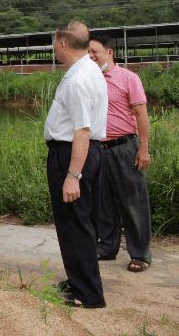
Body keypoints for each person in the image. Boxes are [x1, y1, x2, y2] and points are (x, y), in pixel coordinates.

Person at [44, 21, 108, 308]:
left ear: (62, 43)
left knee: (75, 223)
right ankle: (78, 280)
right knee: (76, 221)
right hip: (81, 152)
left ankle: (88, 294)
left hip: (73, 154)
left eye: (54, 42)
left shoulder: (80, 78)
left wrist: (72, 175)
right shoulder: (88, 69)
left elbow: (82, 130)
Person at [88, 34, 152, 272]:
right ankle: (107, 247)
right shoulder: (90, 80)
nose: (91, 57)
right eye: (88, 53)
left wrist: (143, 149)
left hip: (124, 147)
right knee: (102, 202)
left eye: (95, 52)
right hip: (98, 148)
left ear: (109, 52)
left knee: (133, 202)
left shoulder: (128, 78)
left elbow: (141, 115)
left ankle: (140, 254)